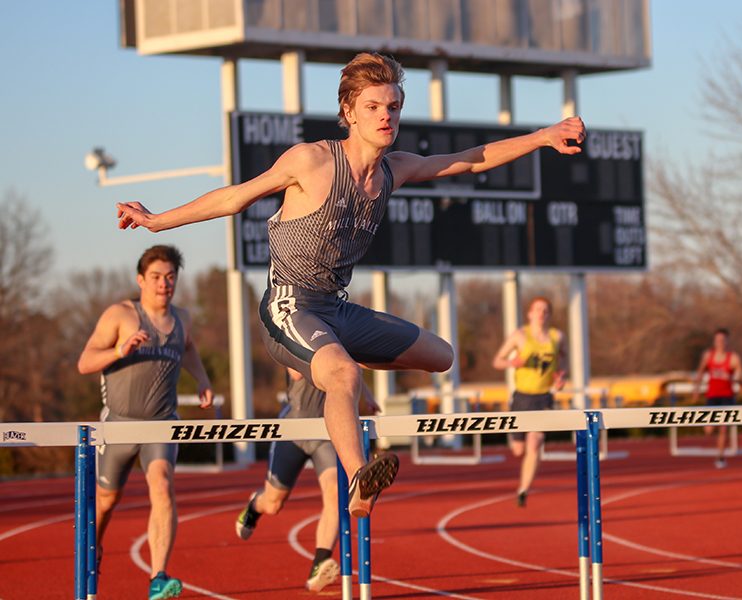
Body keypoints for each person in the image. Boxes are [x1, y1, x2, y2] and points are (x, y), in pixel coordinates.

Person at [116, 52, 586, 517]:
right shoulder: (311, 161)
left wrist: (543, 137)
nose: (386, 117)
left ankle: (333, 361)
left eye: (394, 108)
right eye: (373, 108)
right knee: (344, 375)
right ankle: (360, 478)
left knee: (441, 357)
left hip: (335, 311)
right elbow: (235, 198)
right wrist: (157, 221)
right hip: (288, 306)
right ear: (348, 113)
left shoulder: (392, 170)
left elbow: (469, 161)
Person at [77, 245, 214, 600]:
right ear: (140, 280)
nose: (163, 284)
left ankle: (158, 577)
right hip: (118, 425)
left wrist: (202, 379)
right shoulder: (120, 315)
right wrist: (119, 351)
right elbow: (85, 362)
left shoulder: (183, 318)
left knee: (162, 484)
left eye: (170, 277)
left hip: (161, 424)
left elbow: (189, 348)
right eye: (155, 277)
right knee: (106, 501)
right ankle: (96, 547)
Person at [233, 369, 379, 593]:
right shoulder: (300, 334)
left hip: (328, 430)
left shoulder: (342, 338)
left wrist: (366, 395)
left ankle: (319, 563)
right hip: (295, 429)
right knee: (273, 503)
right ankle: (255, 506)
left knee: (335, 493)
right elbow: (297, 371)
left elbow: (348, 368)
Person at [492, 297, 568, 507]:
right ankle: (523, 481)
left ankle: (523, 490)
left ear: (550, 315)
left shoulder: (557, 336)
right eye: (537, 310)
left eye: (545, 310)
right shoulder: (520, 335)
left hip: (544, 397)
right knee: (518, 449)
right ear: (530, 314)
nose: (541, 314)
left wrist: (561, 376)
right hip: (522, 398)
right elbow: (497, 360)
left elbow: (564, 358)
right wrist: (512, 362)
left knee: (534, 444)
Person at [693, 327, 742, 468]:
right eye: (718, 340)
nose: (720, 342)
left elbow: (740, 377)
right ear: (715, 341)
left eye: (723, 340)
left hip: (727, 396)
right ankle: (717, 445)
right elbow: (701, 371)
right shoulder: (708, 356)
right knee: (708, 429)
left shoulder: (733, 358)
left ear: (727, 341)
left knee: (723, 429)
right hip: (712, 396)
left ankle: (720, 457)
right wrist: (696, 389)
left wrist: (736, 381)